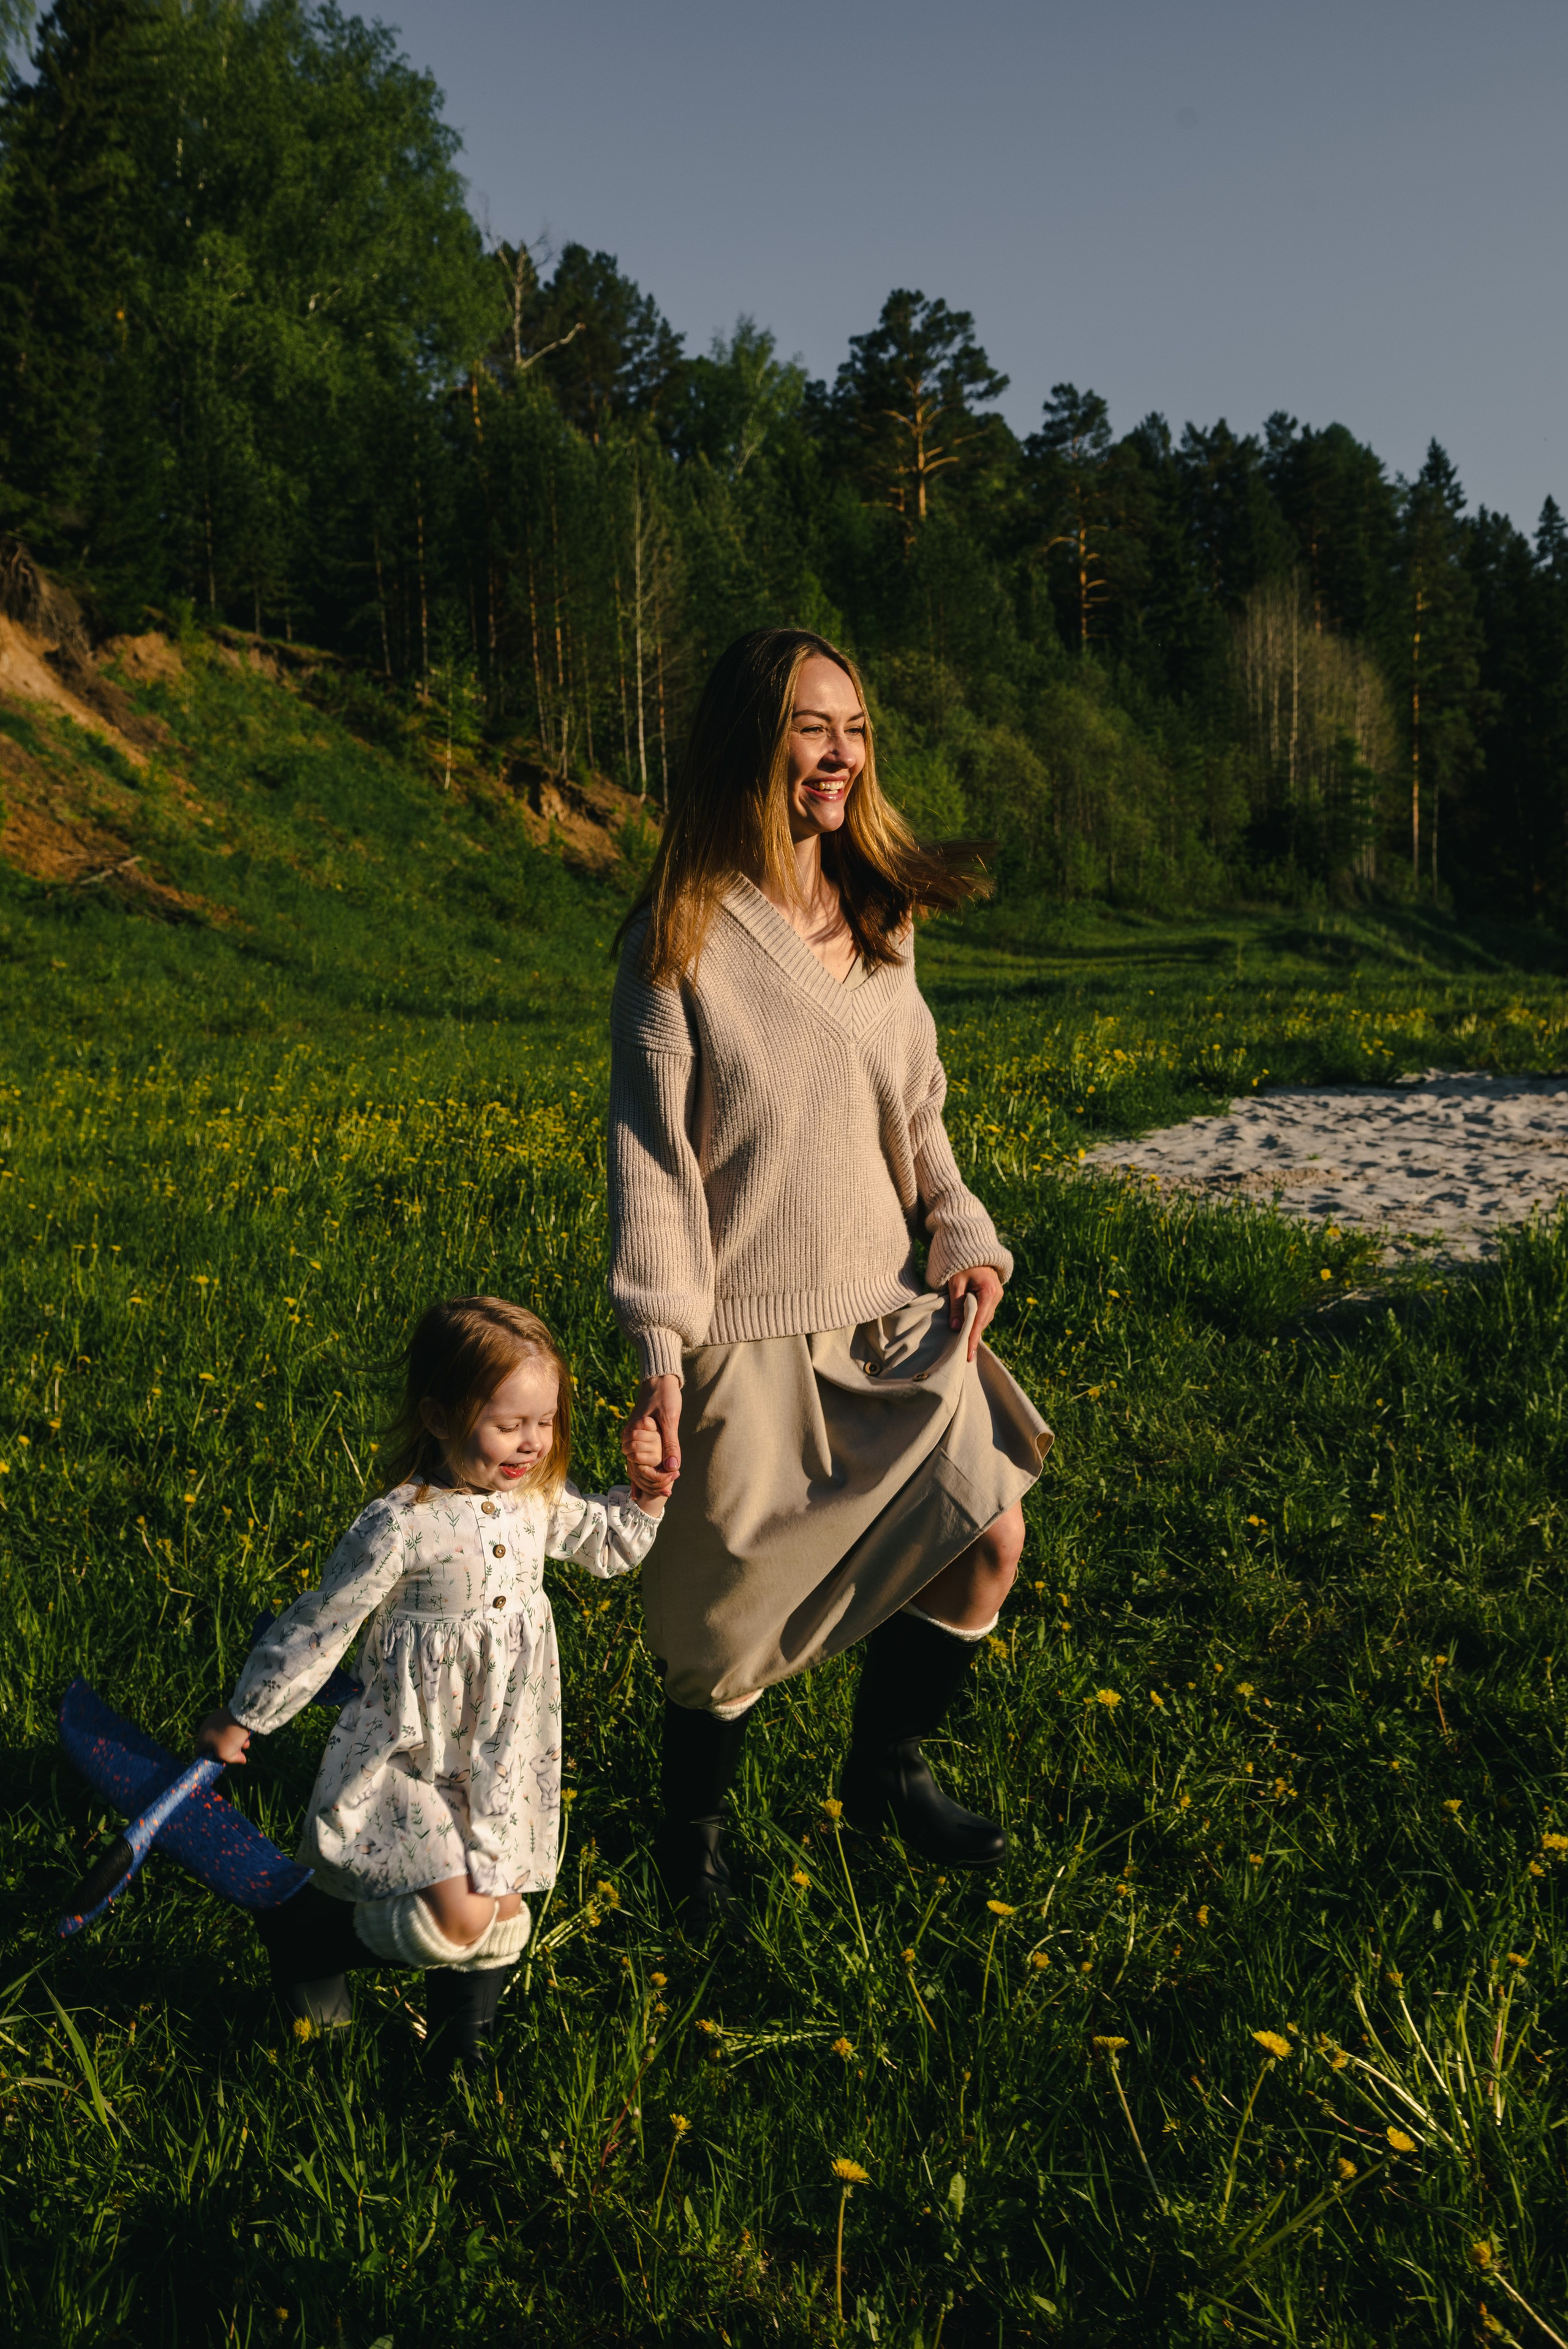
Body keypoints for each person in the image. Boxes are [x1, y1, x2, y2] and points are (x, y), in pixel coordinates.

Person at [608, 628, 1051, 1914]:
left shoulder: (883, 920)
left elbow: (918, 1120)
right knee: (723, 1636)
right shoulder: (677, 941)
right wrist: (659, 1358)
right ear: (752, 742)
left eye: (854, 731)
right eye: (813, 728)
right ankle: (690, 1838)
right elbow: (653, 1173)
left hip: (888, 1317)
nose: (840, 755)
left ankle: (884, 1770)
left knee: (988, 1532)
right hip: (745, 1332)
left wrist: (962, 1233)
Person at [197, 1295, 666, 2069]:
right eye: (508, 1424)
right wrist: (247, 1713)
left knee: (503, 1906)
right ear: (439, 1416)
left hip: (501, 1749)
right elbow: (323, 1622)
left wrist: (646, 1491)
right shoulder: (401, 1523)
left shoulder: (533, 1500)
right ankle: (306, 1938)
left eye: (545, 1421)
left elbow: (608, 1545)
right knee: (460, 1915)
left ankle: (459, 2054)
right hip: (413, 1749)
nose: (532, 1442)